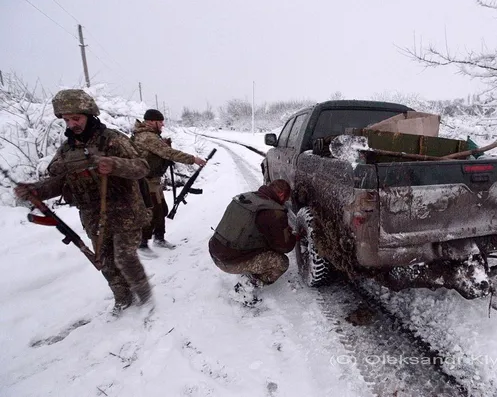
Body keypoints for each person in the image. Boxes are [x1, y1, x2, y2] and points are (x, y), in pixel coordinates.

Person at [14, 89, 153, 314]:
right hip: (92, 213)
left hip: (125, 209)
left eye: (76, 118)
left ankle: (145, 296)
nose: (71, 124)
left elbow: (142, 167)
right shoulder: (67, 149)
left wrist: (115, 164)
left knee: (124, 256)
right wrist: (35, 190)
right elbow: (59, 182)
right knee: (105, 261)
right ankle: (122, 297)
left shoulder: (113, 139)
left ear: (89, 115)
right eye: (67, 120)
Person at [131, 109, 207, 251]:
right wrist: (193, 159)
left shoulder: (152, 135)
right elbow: (168, 153)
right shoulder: (147, 137)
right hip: (145, 181)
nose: (163, 125)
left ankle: (159, 238)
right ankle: (142, 244)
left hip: (154, 180)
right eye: (160, 122)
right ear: (152, 122)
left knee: (161, 209)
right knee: (151, 211)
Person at [208, 179, 296, 301]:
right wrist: (293, 236)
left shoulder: (248, 198)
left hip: (214, 249)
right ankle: (246, 288)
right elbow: (285, 247)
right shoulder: (273, 212)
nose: (285, 202)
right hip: (228, 262)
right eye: (286, 198)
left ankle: (245, 264)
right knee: (281, 262)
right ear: (281, 194)